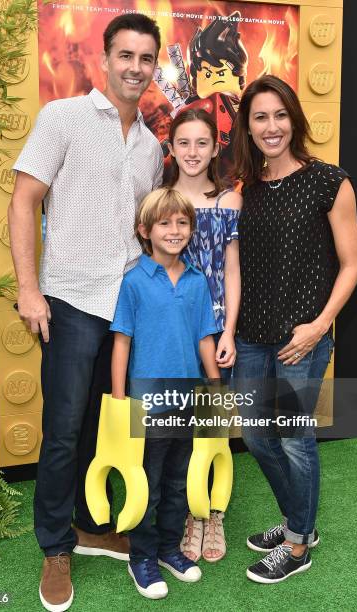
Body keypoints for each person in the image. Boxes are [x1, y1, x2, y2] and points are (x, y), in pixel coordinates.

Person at [8, 14, 164, 612]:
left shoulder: (152, 147)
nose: (135, 67)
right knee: (64, 433)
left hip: (126, 310)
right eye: (125, 55)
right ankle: (55, 547)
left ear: (155, 66)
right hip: (71, 300)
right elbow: (24, 200)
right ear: (105, 58)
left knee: (110, 431)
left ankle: (86, 525)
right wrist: (29, 288)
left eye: (146, 58)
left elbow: (143, 231)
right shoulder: (63, 118)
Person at [231, 75, 357, 583]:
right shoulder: (249, 189)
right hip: (251, 335)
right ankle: (298, 524)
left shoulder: (331, 181)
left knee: (291, 436)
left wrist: (319, 325)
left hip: (302, 336)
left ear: (295, 119)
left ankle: (298, 544)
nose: (271, 127)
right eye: (260, 117)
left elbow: (351, 265)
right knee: (257, 434)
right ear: (248, 125)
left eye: (280, 115)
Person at [110, 187, 220, 599]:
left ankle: (169, 550)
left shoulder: (196, 281)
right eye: (164, 223)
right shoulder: (134, 281)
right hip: (148, 401)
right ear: (145, 230)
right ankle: (142, 556)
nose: (174, 230)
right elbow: (122, 342)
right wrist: (120, 399)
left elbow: (205, 338)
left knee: (179, 481)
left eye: (182, 223)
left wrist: (215, 387)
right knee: (148, 484)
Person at [166, 108, 242, 563]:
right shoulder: (159, 198)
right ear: (171, 148)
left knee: (212, 426)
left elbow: (232, 269)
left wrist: (229, 330)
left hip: (215, 330)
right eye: (183, 143)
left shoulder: (229, 201)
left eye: (202, 143)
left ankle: (213, 513)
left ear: (216, 148)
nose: (192, 152)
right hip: (173, 331)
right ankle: (187, 514)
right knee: (178, 427)